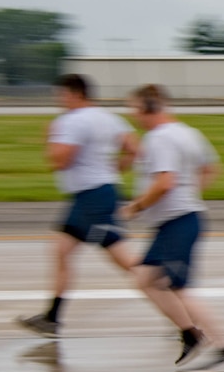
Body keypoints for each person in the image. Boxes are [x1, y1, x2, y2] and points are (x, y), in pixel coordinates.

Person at [118, 84, 224, 371]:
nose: (133, 115)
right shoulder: (188, 132)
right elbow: (211, 169)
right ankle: (190, 334)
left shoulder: (160, 138)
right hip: (179, 220)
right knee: (145, 280)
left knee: (179, 288)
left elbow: (164, 182)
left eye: (134, 108)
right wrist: (192, 196)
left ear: (149, 107)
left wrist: (136, 206)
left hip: (177, 222)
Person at [15, 73, 139, 337]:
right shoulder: (109, 117)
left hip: (93, 198)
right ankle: (52, 317)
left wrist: (50, 138)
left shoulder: (71, 121)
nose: (58, 100)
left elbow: (60, 161)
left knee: (126, 261)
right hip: (93, 195)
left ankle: (175, 302)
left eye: (60, 95)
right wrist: (116, 169)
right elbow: (134, 148)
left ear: (75, 94)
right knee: (60, 251)